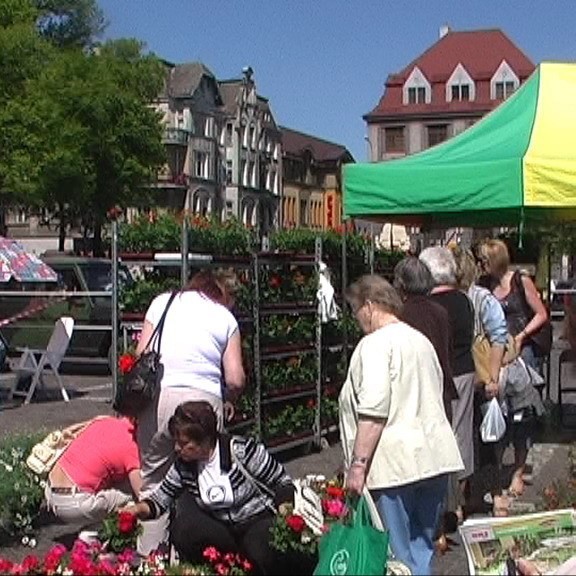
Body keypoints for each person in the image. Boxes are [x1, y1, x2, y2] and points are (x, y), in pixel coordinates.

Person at [339, 274, 463, 576]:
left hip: (394, 464)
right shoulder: (420, 340)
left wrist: (357, 466)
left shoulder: (374, 346)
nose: (357, 320)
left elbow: (374, 409)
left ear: (368, 306)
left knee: (395, 556)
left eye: (355, 311)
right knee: (420, 552)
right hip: (433, 458)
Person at [136, 269, 246, 554]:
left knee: (153, 483)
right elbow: (235, 378)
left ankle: (151, 562)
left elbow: (139, 356)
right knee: (208, 480)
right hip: (204, 402)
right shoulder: (225, 318)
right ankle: (200, 559)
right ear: (225, 294)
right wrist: (229, 398)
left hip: (159, 397)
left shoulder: (163, 302)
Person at [125, 401, 294, 576]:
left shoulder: (241, 450)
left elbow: (282, 481)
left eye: (184, 443)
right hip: (224, 528)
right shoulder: (184, 466)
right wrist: (136, 510)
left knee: (259, 546)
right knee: (184, 529)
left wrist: (286, 512)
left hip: (257, 520)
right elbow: (160, 499)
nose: (177, 448)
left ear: (204, 440)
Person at [393, 256, 460, 552]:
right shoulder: (440, 312)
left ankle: (413, 532)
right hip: (439, 394)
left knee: (411, 467)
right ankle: (437, 530)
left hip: (410, 398)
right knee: (436, 466)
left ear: (401, 285)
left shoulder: (400, 315)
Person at [419, 246, 476, 517]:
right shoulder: (464, 300)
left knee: (436, 435)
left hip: (438, 374)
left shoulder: (430, 306)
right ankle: (460, 503)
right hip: (464, 371)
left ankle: (440, 504)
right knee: (461, 435)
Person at [44, 415, 141, 523]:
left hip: (50, 489)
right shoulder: (132, 448)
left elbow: (74, 429)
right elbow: (142, 493)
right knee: (135, 495)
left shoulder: (103, 420)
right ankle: (89, 536)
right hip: (73, 504)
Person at [477, 239, 548, 371]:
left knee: (526, 367)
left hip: (523, 342)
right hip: (496, 343)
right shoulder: (484, 284)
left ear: (495, 260)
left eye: (485, 261)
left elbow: (541, 314)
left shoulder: (520, 281)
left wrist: (521, 336)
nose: (481, 265)